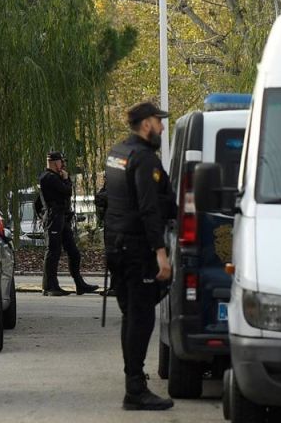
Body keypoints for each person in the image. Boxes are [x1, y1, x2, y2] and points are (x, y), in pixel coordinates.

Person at [102, 101, 175, 412]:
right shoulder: (143, 159)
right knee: (141, 317)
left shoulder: (117, 153)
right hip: (136, 248)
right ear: (146, 124)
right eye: (159, 121)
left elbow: (107, 199)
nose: (161, 127)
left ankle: (134, 381)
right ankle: (135, 389)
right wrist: (161, 253)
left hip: (116, 246)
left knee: (132, 314)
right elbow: (148, 208)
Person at [39, 152, 99, 297]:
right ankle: (49, 286)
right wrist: (67, 180)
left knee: (74, 252)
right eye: (61, 161)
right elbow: (66, 191)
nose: (63, 165)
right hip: (54, 217)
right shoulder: (48, 177)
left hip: (62, 217)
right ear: (54, 162)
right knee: (53, 252)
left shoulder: (55, 177)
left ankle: (80, 284)